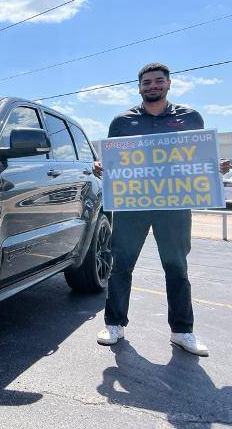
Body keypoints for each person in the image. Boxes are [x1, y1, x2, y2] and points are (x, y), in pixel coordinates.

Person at [93, 62, 231, 356]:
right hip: (132, 207)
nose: (152, 86)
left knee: (177, 267)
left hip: (174, 206)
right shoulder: (121, 121)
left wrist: (212, 168)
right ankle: (114, 324)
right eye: (147, 83)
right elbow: (113, 163)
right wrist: (101, 168)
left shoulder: (190, 118)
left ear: (169, 84)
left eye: (158, 81)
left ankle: (182, 331)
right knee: (122, 266)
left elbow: (197, 160)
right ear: (139, 87)